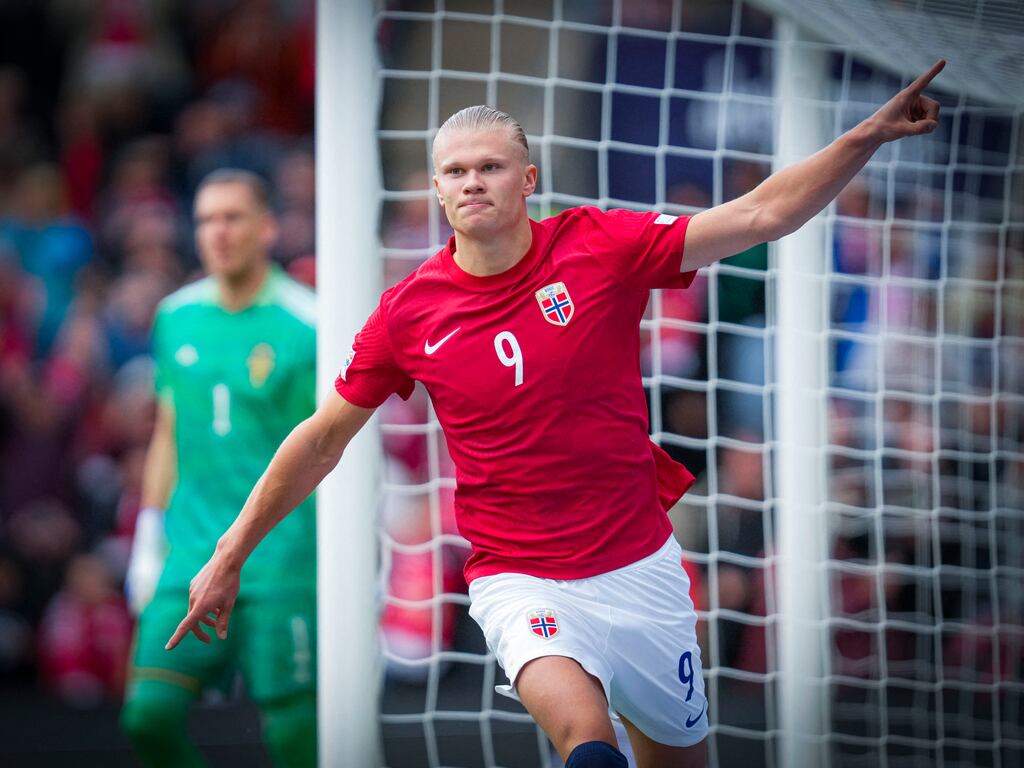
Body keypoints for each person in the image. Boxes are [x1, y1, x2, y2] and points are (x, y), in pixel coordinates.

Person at [167, 62, 945, 768]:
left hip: (640, 569)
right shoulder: (408, 313)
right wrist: (231, 552)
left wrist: (866, 136)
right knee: (586, 743)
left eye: (490, 167)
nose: (472, 182)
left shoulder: (599, 247)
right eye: (455, 172)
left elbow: (761, 215)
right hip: (520, 579)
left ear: (528, 178)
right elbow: (323, 436)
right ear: (436, 192)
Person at [121, 169, 318, 767]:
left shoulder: (308, 322)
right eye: (206, 219)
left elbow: (328, 447)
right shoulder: (175, 317)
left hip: (280, 563)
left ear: (268, 227)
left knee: (292, 737)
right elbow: (168, 436)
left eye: (233, 217)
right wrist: (148, 535)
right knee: (146, 717)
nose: (218, 232)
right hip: (189, 556)